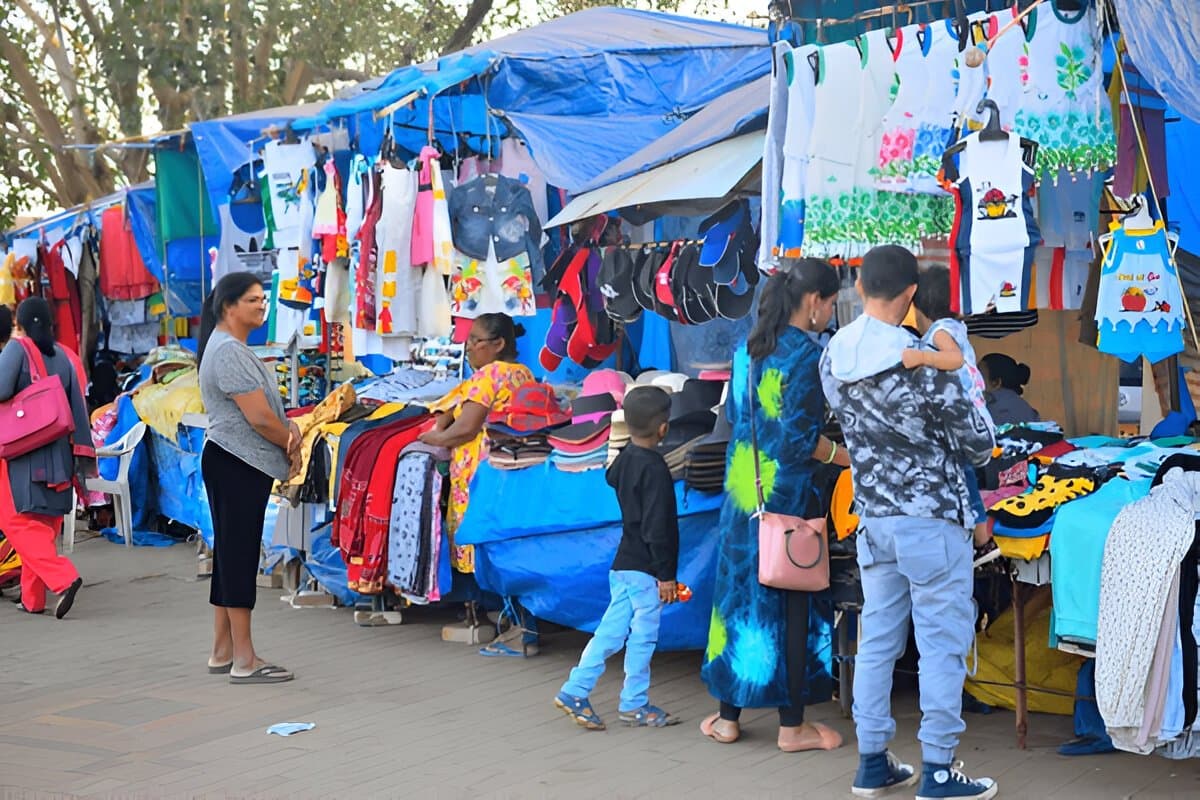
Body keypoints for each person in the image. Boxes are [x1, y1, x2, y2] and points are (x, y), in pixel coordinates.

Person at [820, 246, 998, 799]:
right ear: (911, 294)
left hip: (874, 521)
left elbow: (841, 419)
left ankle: (873, 762)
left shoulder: (834, 357)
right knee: (942, 645)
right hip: (933, 522)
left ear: (859, 286)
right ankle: (939, 770)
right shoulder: (919, 358)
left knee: (877, 642)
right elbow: (980, 442)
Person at [699, 260, 849, 752]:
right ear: (814, 302)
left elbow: (743, 420)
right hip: (786, 498)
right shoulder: (805, 356)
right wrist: (849, 458)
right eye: (830, 303)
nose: (830, 312)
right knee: (792, 600)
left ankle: (727, 718)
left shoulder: (749, 348)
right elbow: (802, 442)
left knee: (741, 599)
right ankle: (792, 726)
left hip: (744, 490)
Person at [554, 385, 681, 730]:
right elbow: (659, 527)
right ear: (663, 428)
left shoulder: (624, 459)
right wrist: (666, 575)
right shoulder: (654, 468)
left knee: (610, 634)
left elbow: (611, 476)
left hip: (624, 563)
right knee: (643, 637)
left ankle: (577, 689)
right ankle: (633, 702)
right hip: (645, 570)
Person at [198, 272, 300, 684]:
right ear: (229, 306)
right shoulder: (228, 352)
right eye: (254, 299)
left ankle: (222, 651)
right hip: (237, 461)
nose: (262, 306)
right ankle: (245, 659)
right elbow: (258, 417)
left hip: (235, 461)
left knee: (229, 554)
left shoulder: (228, 348)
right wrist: (290, 442)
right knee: (239, 557)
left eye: (264, 298)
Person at [419, 313, 536, 654]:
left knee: (481, 544)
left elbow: (466, 427)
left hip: (478, 473)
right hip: (508, 468)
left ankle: (512, 630)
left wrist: (433, 436)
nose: (468, 348)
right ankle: (515, 622)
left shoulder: (488, 376)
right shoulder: (522, 373)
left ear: (498, 344)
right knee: (506, 543)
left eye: (475, 341)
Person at [0, 297, 93, 618]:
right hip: (60, 454)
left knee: (16, 523)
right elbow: (76, 407)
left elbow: (0, 389)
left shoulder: (18, 349)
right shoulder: (64, 356)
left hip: (24, 452)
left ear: (21, 325)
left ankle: (63, 579)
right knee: (43, 524)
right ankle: (32, 599)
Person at [901, 266, 995, 554]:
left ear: (921, 307)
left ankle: (980, 532)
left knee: (963, 473)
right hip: (974, 415)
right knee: (964, 472)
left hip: (963, 417)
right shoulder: (954, 326)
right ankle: (979, 530)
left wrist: (921, 356)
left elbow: (952, 358)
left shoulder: (940, 332)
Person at [978, 353, 1040, 425]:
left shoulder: (991, 408)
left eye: (978, 375)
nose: (972, 378)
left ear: (996, 383)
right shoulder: (1027, 410)